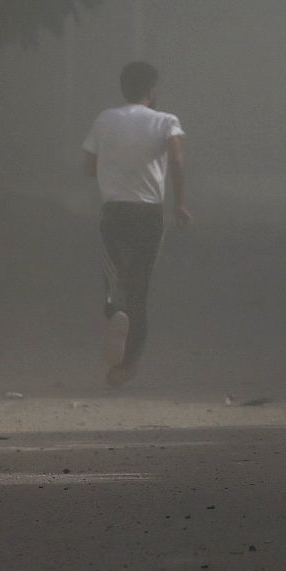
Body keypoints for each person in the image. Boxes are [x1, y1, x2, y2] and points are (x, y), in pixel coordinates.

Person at [82, 61, 190, 387]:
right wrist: (180, 204)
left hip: (114, 212)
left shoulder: (105, 120)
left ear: (123, 87)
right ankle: (126, 365)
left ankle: (115, 308)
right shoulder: (165, 122)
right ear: (153, 90)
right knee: (140, 288)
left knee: (115, 277)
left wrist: (113, 168)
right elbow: (177, 162)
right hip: (150, 215)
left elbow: (88, 167)